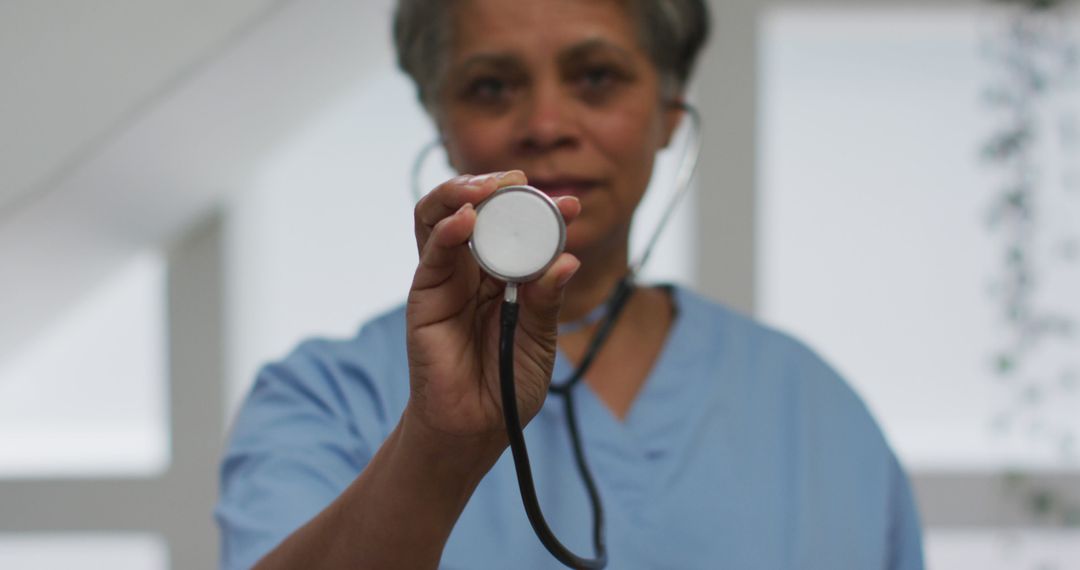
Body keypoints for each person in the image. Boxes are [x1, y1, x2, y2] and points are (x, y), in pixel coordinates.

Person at [215, 0, 925, 568]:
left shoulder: (815, 413)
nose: (545, 125)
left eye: (596, 77)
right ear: (441, 121)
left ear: (669, 115)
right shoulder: (324, 400)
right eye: (491, 87)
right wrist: (436, 449)